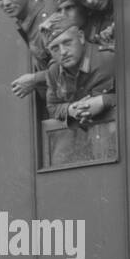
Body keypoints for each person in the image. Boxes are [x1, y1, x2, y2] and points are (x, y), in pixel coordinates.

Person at [41, 12, 117, 165]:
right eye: (55, 48)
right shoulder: (54, 72)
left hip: (117, 145)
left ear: (81, 37)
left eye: (67, 43)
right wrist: (70, 110)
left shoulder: (110, 59)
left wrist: (104, 101)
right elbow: (52, 107)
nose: (63, 52)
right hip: (83, 152)